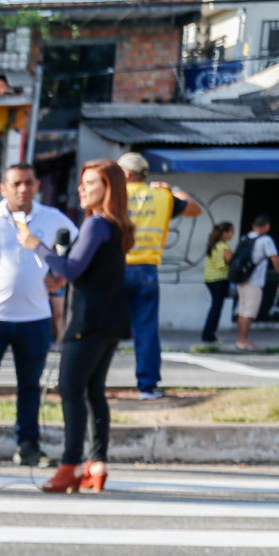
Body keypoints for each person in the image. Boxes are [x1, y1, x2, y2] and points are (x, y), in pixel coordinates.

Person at [17, 158, 132, 493]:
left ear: (108, 188)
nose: (82, 189)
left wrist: (36, 246)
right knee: (94, 392)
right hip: (109, 320)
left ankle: (68, 466)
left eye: (91, 183)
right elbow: (84, 272)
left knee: (70, 391)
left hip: (87, 322)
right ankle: (96, 465)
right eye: (82, 183)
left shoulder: (97, 224)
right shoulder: (116, 224)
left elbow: (71, 269)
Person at [0, 162, 72, 468]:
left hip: (34, 317)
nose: (23, 189)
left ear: (37, 185)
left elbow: (73, 252)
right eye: (16, 184)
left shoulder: (51, 219)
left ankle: (27, 447)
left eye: (28, 183)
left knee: (29, 386)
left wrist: (61, 277)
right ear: (3, 188)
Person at [119, 151, 203, 400]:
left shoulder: (114, 194)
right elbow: (194, 208)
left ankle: (92, 381)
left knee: (103, 328)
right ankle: (147, 386)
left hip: (115, 268)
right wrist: (172, 189)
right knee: (146, 330)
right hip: (146, 271)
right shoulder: (162, 197)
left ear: (124, 174)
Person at [234, 214, 279, 351]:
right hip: (254, 281)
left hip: (241, 279)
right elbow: (275, 258)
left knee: (242, 311)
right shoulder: (266, 240)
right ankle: (242, 341)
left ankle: (240, 339)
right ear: (267, 226)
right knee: (248, 313)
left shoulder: (244, 238)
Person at [200, 223, 235, 345]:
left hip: (210, 279)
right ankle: (209, 335)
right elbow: (226, 263)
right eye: (231, 231)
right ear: (225, 233)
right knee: (216, 308)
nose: (232, 234)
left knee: (215, 307)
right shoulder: (222, 247)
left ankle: (208, 333)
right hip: (219, 279)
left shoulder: (214, 245)